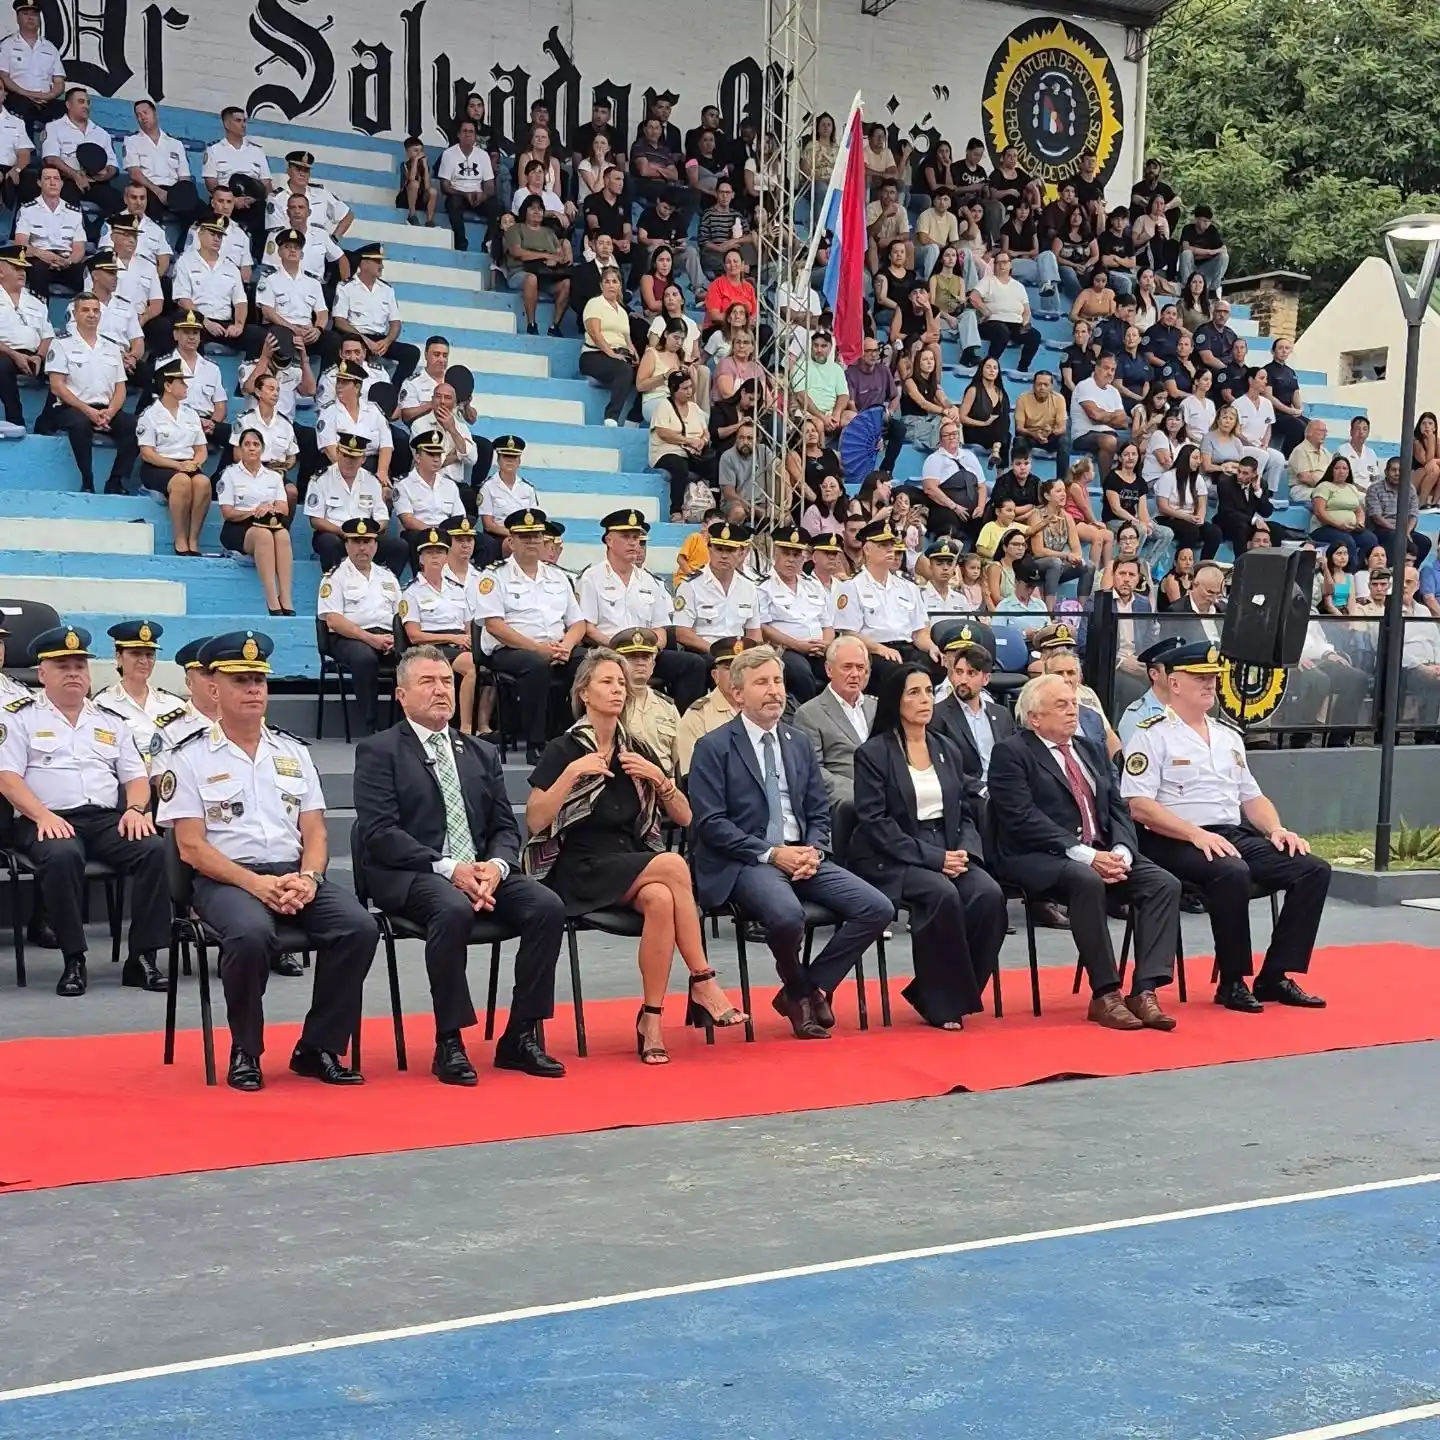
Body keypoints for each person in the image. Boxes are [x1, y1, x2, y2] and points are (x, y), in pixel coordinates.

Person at [157, 631, 378, 1091]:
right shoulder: (189, 757)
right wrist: (255, 886)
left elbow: (315, 830)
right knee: (252, 933)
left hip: (293, 874)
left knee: (358, 927)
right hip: (225, 880)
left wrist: (311, 878)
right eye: (241, 680)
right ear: (214, 688)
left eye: (259, 679)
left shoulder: (293, 752)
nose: (254, 688)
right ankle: (246, 1050)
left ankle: (318, 1047)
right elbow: (191, 847)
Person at [352, 645, 565, 1085]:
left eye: (447, 681)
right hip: (414, 873)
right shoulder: (379, 751)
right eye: (428, 682)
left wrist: (498, 867)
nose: (441, 690)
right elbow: (381, 834)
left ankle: (521, 1034)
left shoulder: (479, 752)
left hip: (479, 871)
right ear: (402, 695)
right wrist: (450, 868)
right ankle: (449, 1039)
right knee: (450, 908)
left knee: (546, 906)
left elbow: (505, 826)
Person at [526, 648, 744, 1063]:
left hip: (630, 862)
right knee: (674, 864)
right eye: (607, 682)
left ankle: (652, 1019)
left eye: (621, 683)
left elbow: (684, 815)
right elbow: (536, 822)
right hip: (579, 866)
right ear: (584, 693)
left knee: (662, 898)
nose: (617, 689)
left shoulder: (635, 747)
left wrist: (660, 781)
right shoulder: (564, 749)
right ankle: (702, 979)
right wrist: (573, 774)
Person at [688, 646, 891, 1039]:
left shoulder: (796, 742)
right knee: (786, 915)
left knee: (876, 908)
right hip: (748, 859)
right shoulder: (713, 747)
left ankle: (807, 988)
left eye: (778, 681)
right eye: (761, 682)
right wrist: (771, 853)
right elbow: (711, 823)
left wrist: (814, 849)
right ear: (737, 693)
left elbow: (819, 810)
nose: (774, 691)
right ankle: (801, 994)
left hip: (802, 854)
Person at [1121, 640, 1332, 1012]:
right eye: (1199, 677)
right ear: (1174, 683)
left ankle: (1275, 975)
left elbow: (1252, 798)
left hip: (1229, 833)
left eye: (1213, 678)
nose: (1210, 684)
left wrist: (1276, 830)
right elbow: (1139, 806)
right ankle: (1233, 981)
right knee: (1231, 871)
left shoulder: (1227, 736)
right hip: (1171, 838)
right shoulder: (1151, 735)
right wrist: (1195, 834)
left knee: (1311, 869)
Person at [988, 674, 1183, 1030]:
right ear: (1034, 718)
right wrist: (1086, 855)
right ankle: (1105, 994)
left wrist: (1123, 850)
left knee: (1162, 884)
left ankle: (1145, 990)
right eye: (1061, 706)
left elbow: (1118, 806)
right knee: (1086, 880)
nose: (1071, 711)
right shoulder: (1011, 753)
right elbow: (1021, 819)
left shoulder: (1089, 748)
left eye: (1074, 703)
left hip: (1102, 851)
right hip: (1038, 857)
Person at [0, 625, 169, 996]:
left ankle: (142, 958)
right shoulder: (19, 717)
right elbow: (8, 779)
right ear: (42, 673)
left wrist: (137, 809)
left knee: (154, 849)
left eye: (80, 666)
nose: (74, 673)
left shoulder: (111, 720)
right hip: (43, 818)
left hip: (106, 819)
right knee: (61, 856)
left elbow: (136, 776)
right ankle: (73, 959)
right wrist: (42, 815)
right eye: (63, 666)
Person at [850, 664, 1006, 1029]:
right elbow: (876, 824)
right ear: (896, 700)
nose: (924, 700)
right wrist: (936, 859)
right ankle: (943, 1002)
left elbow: (965, 810)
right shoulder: (873, 753)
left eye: (927, 692)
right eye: (913, 693)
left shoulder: (945, 747)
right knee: (942, 895)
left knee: (989, 895)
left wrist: (964, 852)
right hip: (892, 855)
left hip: (948, 846)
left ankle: (938, 989)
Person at [474, 507, 585, 764]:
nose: (532, 541)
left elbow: (578, 623)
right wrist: (538, 649)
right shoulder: (494, 575)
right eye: (525, 537)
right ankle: (536, 743)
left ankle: (576, 736)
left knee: (590, 662)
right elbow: (494, 626)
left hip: (556, 647)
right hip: (509, 650)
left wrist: (566, 646)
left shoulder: (558, 576)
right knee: (535, 666)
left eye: (537, 536)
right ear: (510, 541)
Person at [37, 291, 138, 493]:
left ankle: (115, 482)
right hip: (71, 407)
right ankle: (88, 481)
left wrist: (110, 412)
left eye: (95, 310)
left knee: (136, 426)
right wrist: (87, 410)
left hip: (104, 409)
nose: (91, 315)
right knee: (80, 424)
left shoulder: (111, 347)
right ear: (75, 314)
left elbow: (120, 388)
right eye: (85, 310)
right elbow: (57, 385)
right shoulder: (61, 343)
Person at [317, 516, 403, 737]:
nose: (362, 547)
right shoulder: (334, 577)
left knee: (413, 658)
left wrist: (396, 638)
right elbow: (333, 620)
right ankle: (370, 725)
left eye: (367, 542)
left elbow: (400, 615)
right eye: (356, 541)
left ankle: (407, 725)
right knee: (364, 658)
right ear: (346, 544)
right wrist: (370, 638)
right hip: (348, 638)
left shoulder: (388, 576)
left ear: (376, 545)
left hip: (387, 637)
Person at [791, 634, 875, 810]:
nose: (855, 674)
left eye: (860, 668)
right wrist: (858, 791)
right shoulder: (809, 714)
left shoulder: (876, 707)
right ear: (829, 670)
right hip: (846, 800)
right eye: (847, 667)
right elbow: (812, 769)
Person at [92, 619, 186, 770]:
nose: (144, 661)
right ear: (118, 656)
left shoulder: (174, 704)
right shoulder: (102, 704)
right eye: (135, 654)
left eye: (150, 654)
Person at [928, 632, 1014, 795]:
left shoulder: (1001, 714)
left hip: (1005, 789)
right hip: (968, 795)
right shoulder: (938, 715)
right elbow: (944, 767)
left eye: (971, 673)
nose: (963, 680)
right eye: (959, 672)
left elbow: (1014, 757)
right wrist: (982, 790)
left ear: (986, 679)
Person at [755, 525, 833, 704]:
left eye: (796, 555)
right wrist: (797, 645)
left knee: (842, 665)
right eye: (786, 553)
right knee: (801, 672)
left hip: (819, 649)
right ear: (776, 554)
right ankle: (807, 718)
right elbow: (763, 627)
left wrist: (827, 644)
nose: (791, 560)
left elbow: (827, 624)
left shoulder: (812, 584)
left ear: (804, 557)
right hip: (784, 649)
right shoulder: (763, 586)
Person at [673, 520, 760, 656]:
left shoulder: (749, 587)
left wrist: (748, 655)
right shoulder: (690, 585)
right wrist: (718, 651)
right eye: (719, 549)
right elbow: (682, 633)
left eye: (730, 550)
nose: (724, 556)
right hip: (704, 652)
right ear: (709, 549)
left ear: (742, 553)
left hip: (740, 654)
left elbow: (754, 632)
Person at [676, 636, 751, 776]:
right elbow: (692, 774)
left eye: (742, 668)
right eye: (729, 669)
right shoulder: (698, 716)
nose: (736, 675)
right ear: (715, 676)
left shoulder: (761, 708)